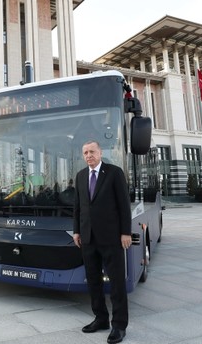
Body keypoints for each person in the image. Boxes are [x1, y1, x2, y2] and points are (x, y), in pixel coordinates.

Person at [73, 140, 131, 344]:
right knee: (93, 281)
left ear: (100, 153)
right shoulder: (81, 176)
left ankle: (119, 325)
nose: (89, 155)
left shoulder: (114, 173)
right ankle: (101, 318)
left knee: (116, 283)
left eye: (92, 151)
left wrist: (126, 232)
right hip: (88, 238)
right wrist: (76, 231)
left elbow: (124, 204)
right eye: (85, 152)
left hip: (112, 238)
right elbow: (78, 207)